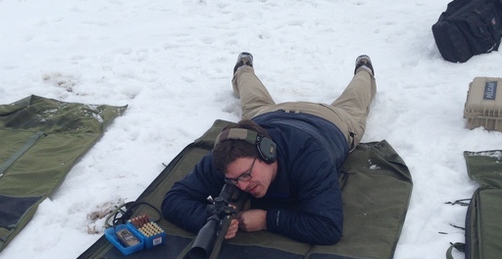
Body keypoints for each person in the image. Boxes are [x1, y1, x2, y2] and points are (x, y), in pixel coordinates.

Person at [161, 52, 377, 245]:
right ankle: (243, 68)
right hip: (268, 116)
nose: (243, 186)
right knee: (252, 99)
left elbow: (327, 228)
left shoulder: (310, 158)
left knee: (354, 103)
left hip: (329, 119)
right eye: (234, 180)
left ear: (268, 152)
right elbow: (173, 200)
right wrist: (210, 220)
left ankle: (364, 71)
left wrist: (267, 219)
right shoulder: (225, 158)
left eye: (246, 175)